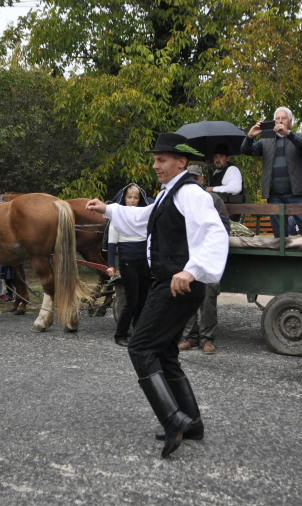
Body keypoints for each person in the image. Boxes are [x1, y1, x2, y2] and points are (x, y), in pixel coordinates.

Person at [85, 132, 229, 458]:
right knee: (164, 353)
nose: (155, 165)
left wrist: (191, 270)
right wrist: (107, 209)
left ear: (181, 162)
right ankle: (191, 421)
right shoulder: (168, 195)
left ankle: (172, 420)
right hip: (172, 282)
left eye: (161, 160)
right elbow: (142, 219)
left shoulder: (190, 193)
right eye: (154, 160)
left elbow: (215, 233)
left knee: (139, 347)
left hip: (178, 284)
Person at [240, 107, 302, 237]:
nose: (280, 121)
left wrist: (288, 134)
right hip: (274, 195)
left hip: (297, 194)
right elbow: (246, 151)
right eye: (278, 118)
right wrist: (249, 137)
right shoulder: (266, 140)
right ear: (274, 122)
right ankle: (285, 258)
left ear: (290, 122)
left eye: (284, 118)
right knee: (280, 238)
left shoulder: (297, 137)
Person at [179, 169, 231, 355]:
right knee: (187, 297)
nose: (192, 181)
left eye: (195, 178)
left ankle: (207, 339)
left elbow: (224, 227)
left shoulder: (214, 199)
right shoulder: (181, 199)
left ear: (201, 179)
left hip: (207, 257)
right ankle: (190, 338)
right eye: (189, 178)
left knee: (208, 298)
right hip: (187, 258)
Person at [107, 183, 151, 347]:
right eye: (129, 197)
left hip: (143, 262)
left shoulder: (143, 216)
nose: (132, 200)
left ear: (139, 200)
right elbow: (112, 244)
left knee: (142, 300)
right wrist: (111, 265)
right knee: (131, 301)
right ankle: (120, 335)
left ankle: (138, 332)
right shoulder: (117, 217)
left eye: (135, 198)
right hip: (127, 262)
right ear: (124, 199)